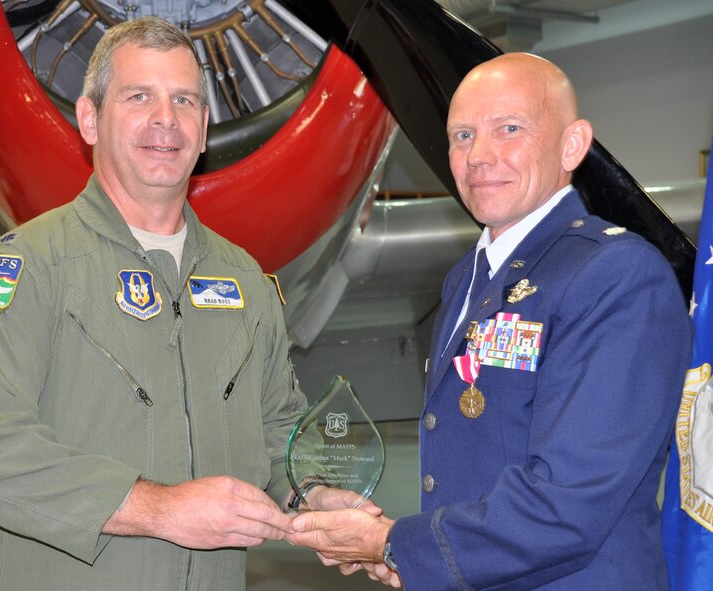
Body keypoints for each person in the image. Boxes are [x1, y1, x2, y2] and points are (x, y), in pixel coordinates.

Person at [0, 16, 365, 590]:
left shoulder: (246, 281)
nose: (166, 119)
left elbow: (274, 430)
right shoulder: (25, 269)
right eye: (140, 96)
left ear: (205, 127)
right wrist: (162, 510)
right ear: (90, 118)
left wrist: (313, 494)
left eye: (184, 100)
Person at [286, 52, 692, 590]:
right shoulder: (467, 278)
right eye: (461, 136)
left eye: (509, 128)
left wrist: (393, 545)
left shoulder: (617, 275)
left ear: (573, 145)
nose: (479, 156)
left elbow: (566, 503)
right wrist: (413, 557)